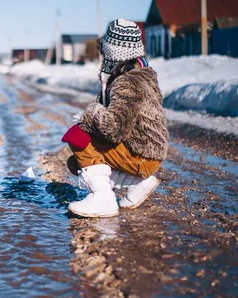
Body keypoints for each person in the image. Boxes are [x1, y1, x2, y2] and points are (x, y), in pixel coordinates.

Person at [62, 19, 169, 218]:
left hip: (143, 154)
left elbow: (115, 127)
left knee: (79, 138)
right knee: (76, 163)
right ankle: (139, 184)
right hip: (146, 151)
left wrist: (91, 114)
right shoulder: (139, 73)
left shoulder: (127, 81)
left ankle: (103, 199)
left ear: (114, 49)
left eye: (106, 47)